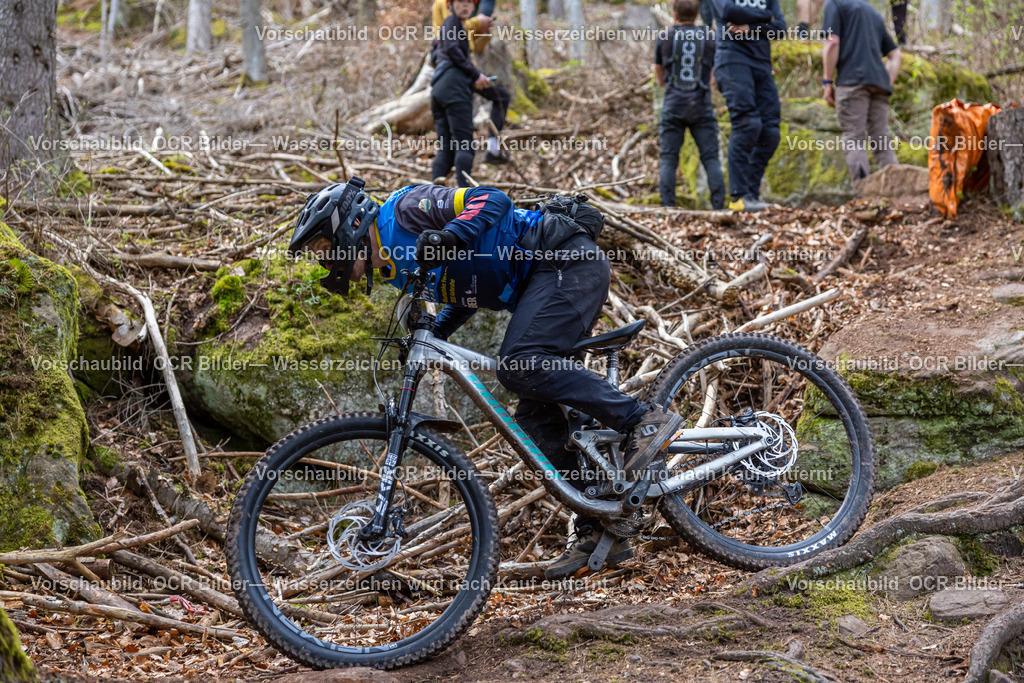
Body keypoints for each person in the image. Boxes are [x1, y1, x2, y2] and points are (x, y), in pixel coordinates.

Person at [286, 179, 686, 578]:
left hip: (564, 262)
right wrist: (436, 331)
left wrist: (450, 234)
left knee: (519, 363)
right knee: (535, 419)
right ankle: (603, 526)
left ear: (348, 228)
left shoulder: (404, 211)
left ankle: (641, 420)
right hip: (541, 283)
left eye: (324, 250)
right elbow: (469, 288)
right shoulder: (395, 266)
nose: (325, 263)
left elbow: (492, 200)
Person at [710, 0, 787, 212]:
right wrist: (764, 17)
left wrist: (750, 27)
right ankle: (738, 196)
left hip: (761, 64)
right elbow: (728, 11)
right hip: (732, 60)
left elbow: (780, 29)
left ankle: (752, 194)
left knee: (771, 132)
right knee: (748, 125)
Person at [655, 0, 725, 210]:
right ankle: (719, 208)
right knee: (710, 157)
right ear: (697, 15)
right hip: (701, 105)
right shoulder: (709, 37)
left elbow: (659, 74)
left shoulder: (665, 37)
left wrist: (669, 84)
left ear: (674, 16)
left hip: (673, 104)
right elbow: (714, 75)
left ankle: (668, 208)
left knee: (668, 158)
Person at [821, 0, 902, 181]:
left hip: (852, 82)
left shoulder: (834, 4)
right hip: (879, 85)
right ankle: (896, 191)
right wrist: (886, 81)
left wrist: (827, 81)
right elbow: (896, 55)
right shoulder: (872, 12)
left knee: (853, 138)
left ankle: (863, 194)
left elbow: (832, 41)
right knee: (881, 140)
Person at [431, 0, 510, 168]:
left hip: (465, 69)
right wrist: (475, 75)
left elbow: (474, 44)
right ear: (451, 4)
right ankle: (460, 186)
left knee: (501, 96)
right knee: (462, 143)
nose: (465, 6)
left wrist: (483, 30)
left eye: (469, 2)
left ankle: (493, 149)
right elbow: (451, 44)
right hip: (452, 74)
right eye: (461, 2)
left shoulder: (461, 21)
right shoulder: (448, 16)